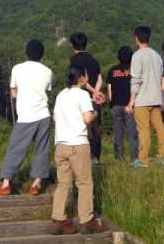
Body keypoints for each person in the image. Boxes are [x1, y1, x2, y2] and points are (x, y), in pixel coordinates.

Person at [0, 39, 53, 196]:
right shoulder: (48, 71)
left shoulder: (17, 69)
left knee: (16, 148)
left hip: (26, 115)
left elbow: (14, 94)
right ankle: (37, 184)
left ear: (26, 53)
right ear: (42, 54)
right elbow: (47, 93)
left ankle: (6, 184)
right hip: (43, 114)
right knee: (42, 150)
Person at [51, 64, 105, 235]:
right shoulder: (82, 95)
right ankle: (87, 220)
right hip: (78, 144)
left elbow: (55, 117)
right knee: (84, 183)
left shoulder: (61, 94)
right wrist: (95, 110)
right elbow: (88, 117)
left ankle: (59, 220)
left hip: (61, 144)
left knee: (63, 184)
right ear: (81, 77)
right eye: (86, 75)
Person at [125, 26, 164, 167]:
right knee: (159, 127)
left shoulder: (137, 56)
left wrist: (131, 100)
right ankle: (163, 156)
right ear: (149, 38)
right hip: (155, 98)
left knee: (143, 129)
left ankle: (143, 159)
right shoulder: (157, 56)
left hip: (142, 100)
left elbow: (136, 80)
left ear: (136, 39)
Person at [69, 32, 105, 165]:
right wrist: (96, 92)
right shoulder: (94, 60)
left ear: (72, 45)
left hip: (81, 97)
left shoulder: (74, 60)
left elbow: (81, 80)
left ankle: (86, 157)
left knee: (84, 128)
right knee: (95, 128)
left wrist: (93, 91)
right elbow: (100, 78)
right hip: (94, 100)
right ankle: (96, 158)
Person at [106, 46, 138, 161]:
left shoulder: (112, 70)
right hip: (130, 105)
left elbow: (109, 88)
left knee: (118, 134)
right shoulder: (134, 70)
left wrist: (112, 102)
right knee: (132, 133)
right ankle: (134, 158)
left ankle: (119, 158)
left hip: (116, 105)